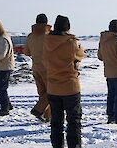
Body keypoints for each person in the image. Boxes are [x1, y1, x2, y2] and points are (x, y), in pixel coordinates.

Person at [43, 15, 84, 148]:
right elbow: (80, 55)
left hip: (53, 87)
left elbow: (44, 61)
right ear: (68, 27)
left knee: (56, 123)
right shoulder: (72, 42)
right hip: (70, 87)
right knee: (73, 122)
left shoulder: (47, 42)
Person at [24, 13, 51, 121]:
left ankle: (46, 115)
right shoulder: (49, 36)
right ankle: (39, 110)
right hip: (48, 68)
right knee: (51, 92)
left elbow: (26, 52)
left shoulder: (30, 36)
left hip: (35, 67)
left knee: (42, 92)